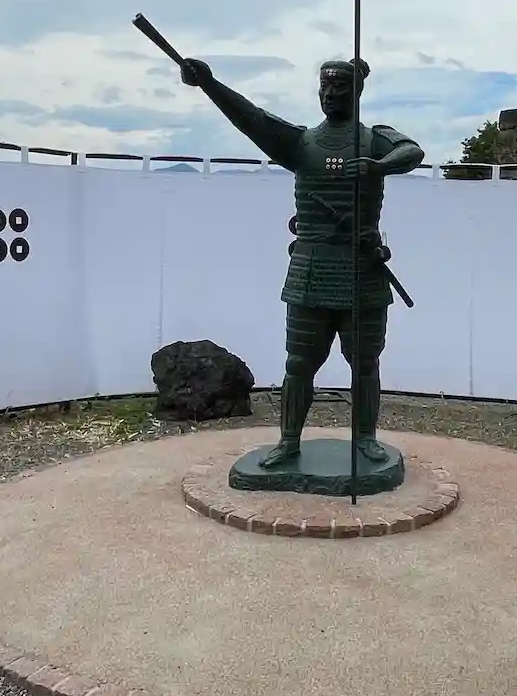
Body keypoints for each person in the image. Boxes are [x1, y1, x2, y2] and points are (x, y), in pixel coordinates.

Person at [179, 54, 423, 466]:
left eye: (340, 87)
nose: (331, 93)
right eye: (325, 86)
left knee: (365, 363)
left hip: (362, 268)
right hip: (311, 269)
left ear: (357, 92)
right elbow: (251, 118)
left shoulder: (375, 139)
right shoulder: (300, 143)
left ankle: (365, 438)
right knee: (298, 363)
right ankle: (289, 440)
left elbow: (412, 152)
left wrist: (377, 167)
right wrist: (210, 84)